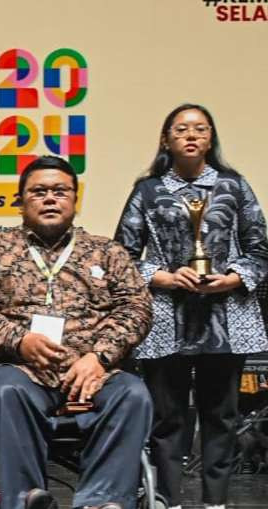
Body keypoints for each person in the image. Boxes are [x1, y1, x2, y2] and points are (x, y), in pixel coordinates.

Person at [0, 155, 154, 509]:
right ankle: (27, 498)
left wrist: (99, 357)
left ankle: (101, 501)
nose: (50, 198)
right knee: (4, 392)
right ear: (20, 202)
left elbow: (136, 308)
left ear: (74, 200)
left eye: (60, 191)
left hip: (95, 373)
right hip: (21, 371)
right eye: (39, 192)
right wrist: (19, 340)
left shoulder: (107, 252)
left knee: (134, 395)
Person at [114, 104, 268, 509]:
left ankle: (215, 502)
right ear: (166, 139)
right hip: (166, 318)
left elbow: (259, 249)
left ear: (211, 139)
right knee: (169, 419)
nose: (191, 135)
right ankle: (169, 500)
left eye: (201, 128)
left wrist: (234, 278)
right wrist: (161, 276)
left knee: (221, 418)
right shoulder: (146, 191)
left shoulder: (235, 186)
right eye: (181, 129)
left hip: (227, 318)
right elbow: (122, 255)